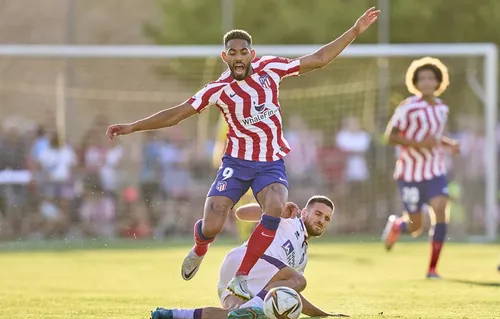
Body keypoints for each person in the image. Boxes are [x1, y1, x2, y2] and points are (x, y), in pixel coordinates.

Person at [106, 7, 380, 300]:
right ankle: (200, 249)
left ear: (252, 53)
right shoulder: (218, 89)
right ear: (225, 57)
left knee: (275, 204)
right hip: (236, 162)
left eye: (243, 51)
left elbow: (319, 59)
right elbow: (177, 114)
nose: (238, 57)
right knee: (212, 224)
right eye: (232, 53)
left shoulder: (271, 69)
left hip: (270, 161)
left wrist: (354, 31)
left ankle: (241, 277)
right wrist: (133, 127)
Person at [150, 195, 348, 319]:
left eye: (327, 219)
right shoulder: (289, 218)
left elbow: (289, 292)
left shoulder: (302, 258)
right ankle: (255, 306)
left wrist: (323, 315)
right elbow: (241, 213)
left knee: (234, 316)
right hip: (244, 262)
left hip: (236, 279)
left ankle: (171, 314)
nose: (321, 220)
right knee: (300, 281)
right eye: (318, 214)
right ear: (305, 212)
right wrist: (278, 209)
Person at [381, 57, 460, 279]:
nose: (426, 82)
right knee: (415, 227)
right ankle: (398, 226)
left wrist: (448, 144)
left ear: (438, 82)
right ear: (415, 82)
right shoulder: (408, 107)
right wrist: (418, 144)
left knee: (441, 208)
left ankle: (432, 268)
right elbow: (390, 137)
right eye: (422, 78)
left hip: (435, 170)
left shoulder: (442, 108)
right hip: (410, 173)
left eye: (431, 78)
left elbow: (434, 137)